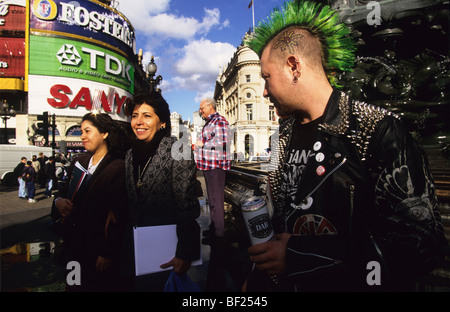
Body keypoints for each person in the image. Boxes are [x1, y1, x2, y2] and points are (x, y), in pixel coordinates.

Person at [243, 0, 449, 291]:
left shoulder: (377, 129)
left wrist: (302, 256)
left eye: (266, 77)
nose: (263, 91)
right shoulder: (282, 135)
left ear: (293, 66)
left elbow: (423, 244)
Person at [124, 91, 200, 291]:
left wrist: (185, 253)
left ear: (162, 123)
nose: (139, 122)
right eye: (135, 115)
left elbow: (187, 205)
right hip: (136, 247)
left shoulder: (178, 149)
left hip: (168, 249)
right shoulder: (130, 154)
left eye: (147, 116)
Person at [51, 113, 129, 291]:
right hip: (72, 247)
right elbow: (61, 193)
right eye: (81, 131)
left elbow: (118, 215)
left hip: (96, 252)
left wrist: (107, 252)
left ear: (104, 134)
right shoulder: (78, 161)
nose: (82, 136)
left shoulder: (117, 167)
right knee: (72, 285)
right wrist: (59, 202)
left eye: (87, 131)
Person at [194, 97, 231, 291]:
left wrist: (201, 144)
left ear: (210, 107)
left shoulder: (220, 121)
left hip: (216, 166)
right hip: (208, 166)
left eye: (202, 108)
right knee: (212, 202)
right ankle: (214, 228)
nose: (200, 111)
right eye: (199, 109)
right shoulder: (210, 123)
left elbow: (222, 142)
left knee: (217, 200)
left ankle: (219, 235)